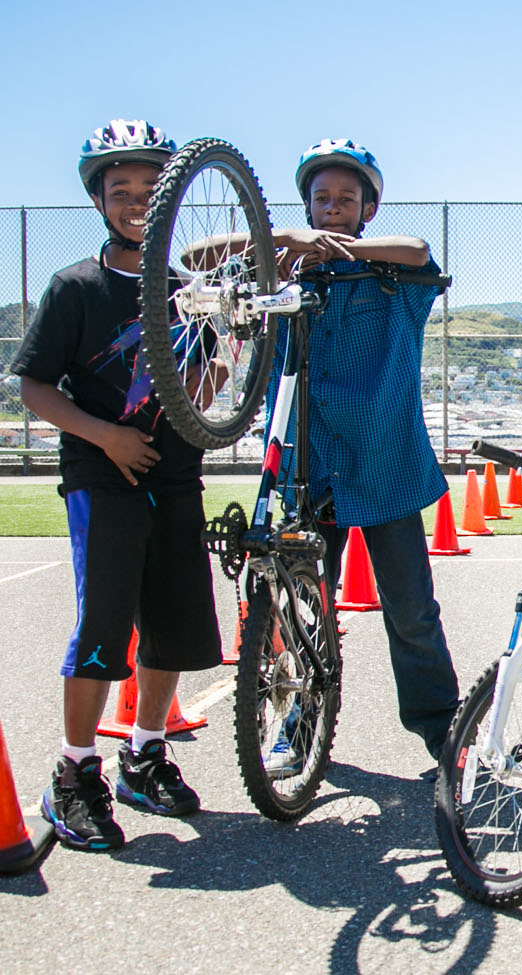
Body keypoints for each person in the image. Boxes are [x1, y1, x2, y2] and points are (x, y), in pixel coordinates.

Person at [11, 120, 222, 850]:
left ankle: (145, 753)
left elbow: (205, 381)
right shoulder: (75, 286)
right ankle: (74, 772)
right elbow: (36, 386)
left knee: (173, 623)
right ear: (98, 201)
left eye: (150, 189)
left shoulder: (190, 291)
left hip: (176, 475)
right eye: (120, 189)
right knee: (103, 625)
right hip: (101, 475)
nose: (136, 201)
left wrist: (221, 358)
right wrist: (105, 435)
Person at [263, 139, 459, 775]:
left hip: (385, 465)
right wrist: (286, 240)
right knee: (305, 611)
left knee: (411, 611)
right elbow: (194, 256)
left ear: (368, 209)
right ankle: (300, 722)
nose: (332, 208)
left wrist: (340, 250)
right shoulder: (281, 278)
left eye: (346, 199)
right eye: (321, 199)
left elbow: (419, 250)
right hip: (309, 468)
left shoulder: (394, 280)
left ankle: (442, 729)